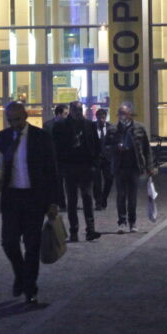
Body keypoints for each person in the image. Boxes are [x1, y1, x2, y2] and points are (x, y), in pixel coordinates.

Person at [0, 101, 62, 306]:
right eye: (10, 120)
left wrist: (53, 201)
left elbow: (52, 170)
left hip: (34, 198)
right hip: (12, 198)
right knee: (9, 242)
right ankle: (21, 274)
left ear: (25, 116)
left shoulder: (41, 138)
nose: (14, 123)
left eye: (17, 119)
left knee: (32, 245)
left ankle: (30, 288)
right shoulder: (3, 137)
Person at [51, 101, 101, 242]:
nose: (78, 112)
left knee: (87, 198)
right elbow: (57, 148)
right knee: (72, 201)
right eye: (76, 110)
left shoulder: (89, 125)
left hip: (86, 166)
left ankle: (90, 230)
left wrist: (94, 164)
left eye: (80, 109)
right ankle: (74, 231)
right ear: (71, 111)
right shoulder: (61, 126)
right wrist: (60, 166)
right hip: (70, 167)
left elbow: (96, 146)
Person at [110, 103, 154, 233]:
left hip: (134, 166)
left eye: (124, 113)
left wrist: (149, 166)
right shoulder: (113, 129)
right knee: (121, 195)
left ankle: (132, 221)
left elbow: (147, 148)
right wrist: (115, 149)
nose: (122, 116)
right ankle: (122, 221)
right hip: (119, 166)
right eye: (120, 114)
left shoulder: (139, 128)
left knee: (132, 196)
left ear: (130, 114)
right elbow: (105, 147)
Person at [91, 108, 114, 210]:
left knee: (109, 179)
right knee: (97, 182)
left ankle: (104, 198)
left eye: (103, 118)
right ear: (96, 117)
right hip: (96, 158)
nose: (101, 120)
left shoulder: (110, 127)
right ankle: (98, 202)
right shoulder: (92, 127)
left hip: (108, 159)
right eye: (100, 118)